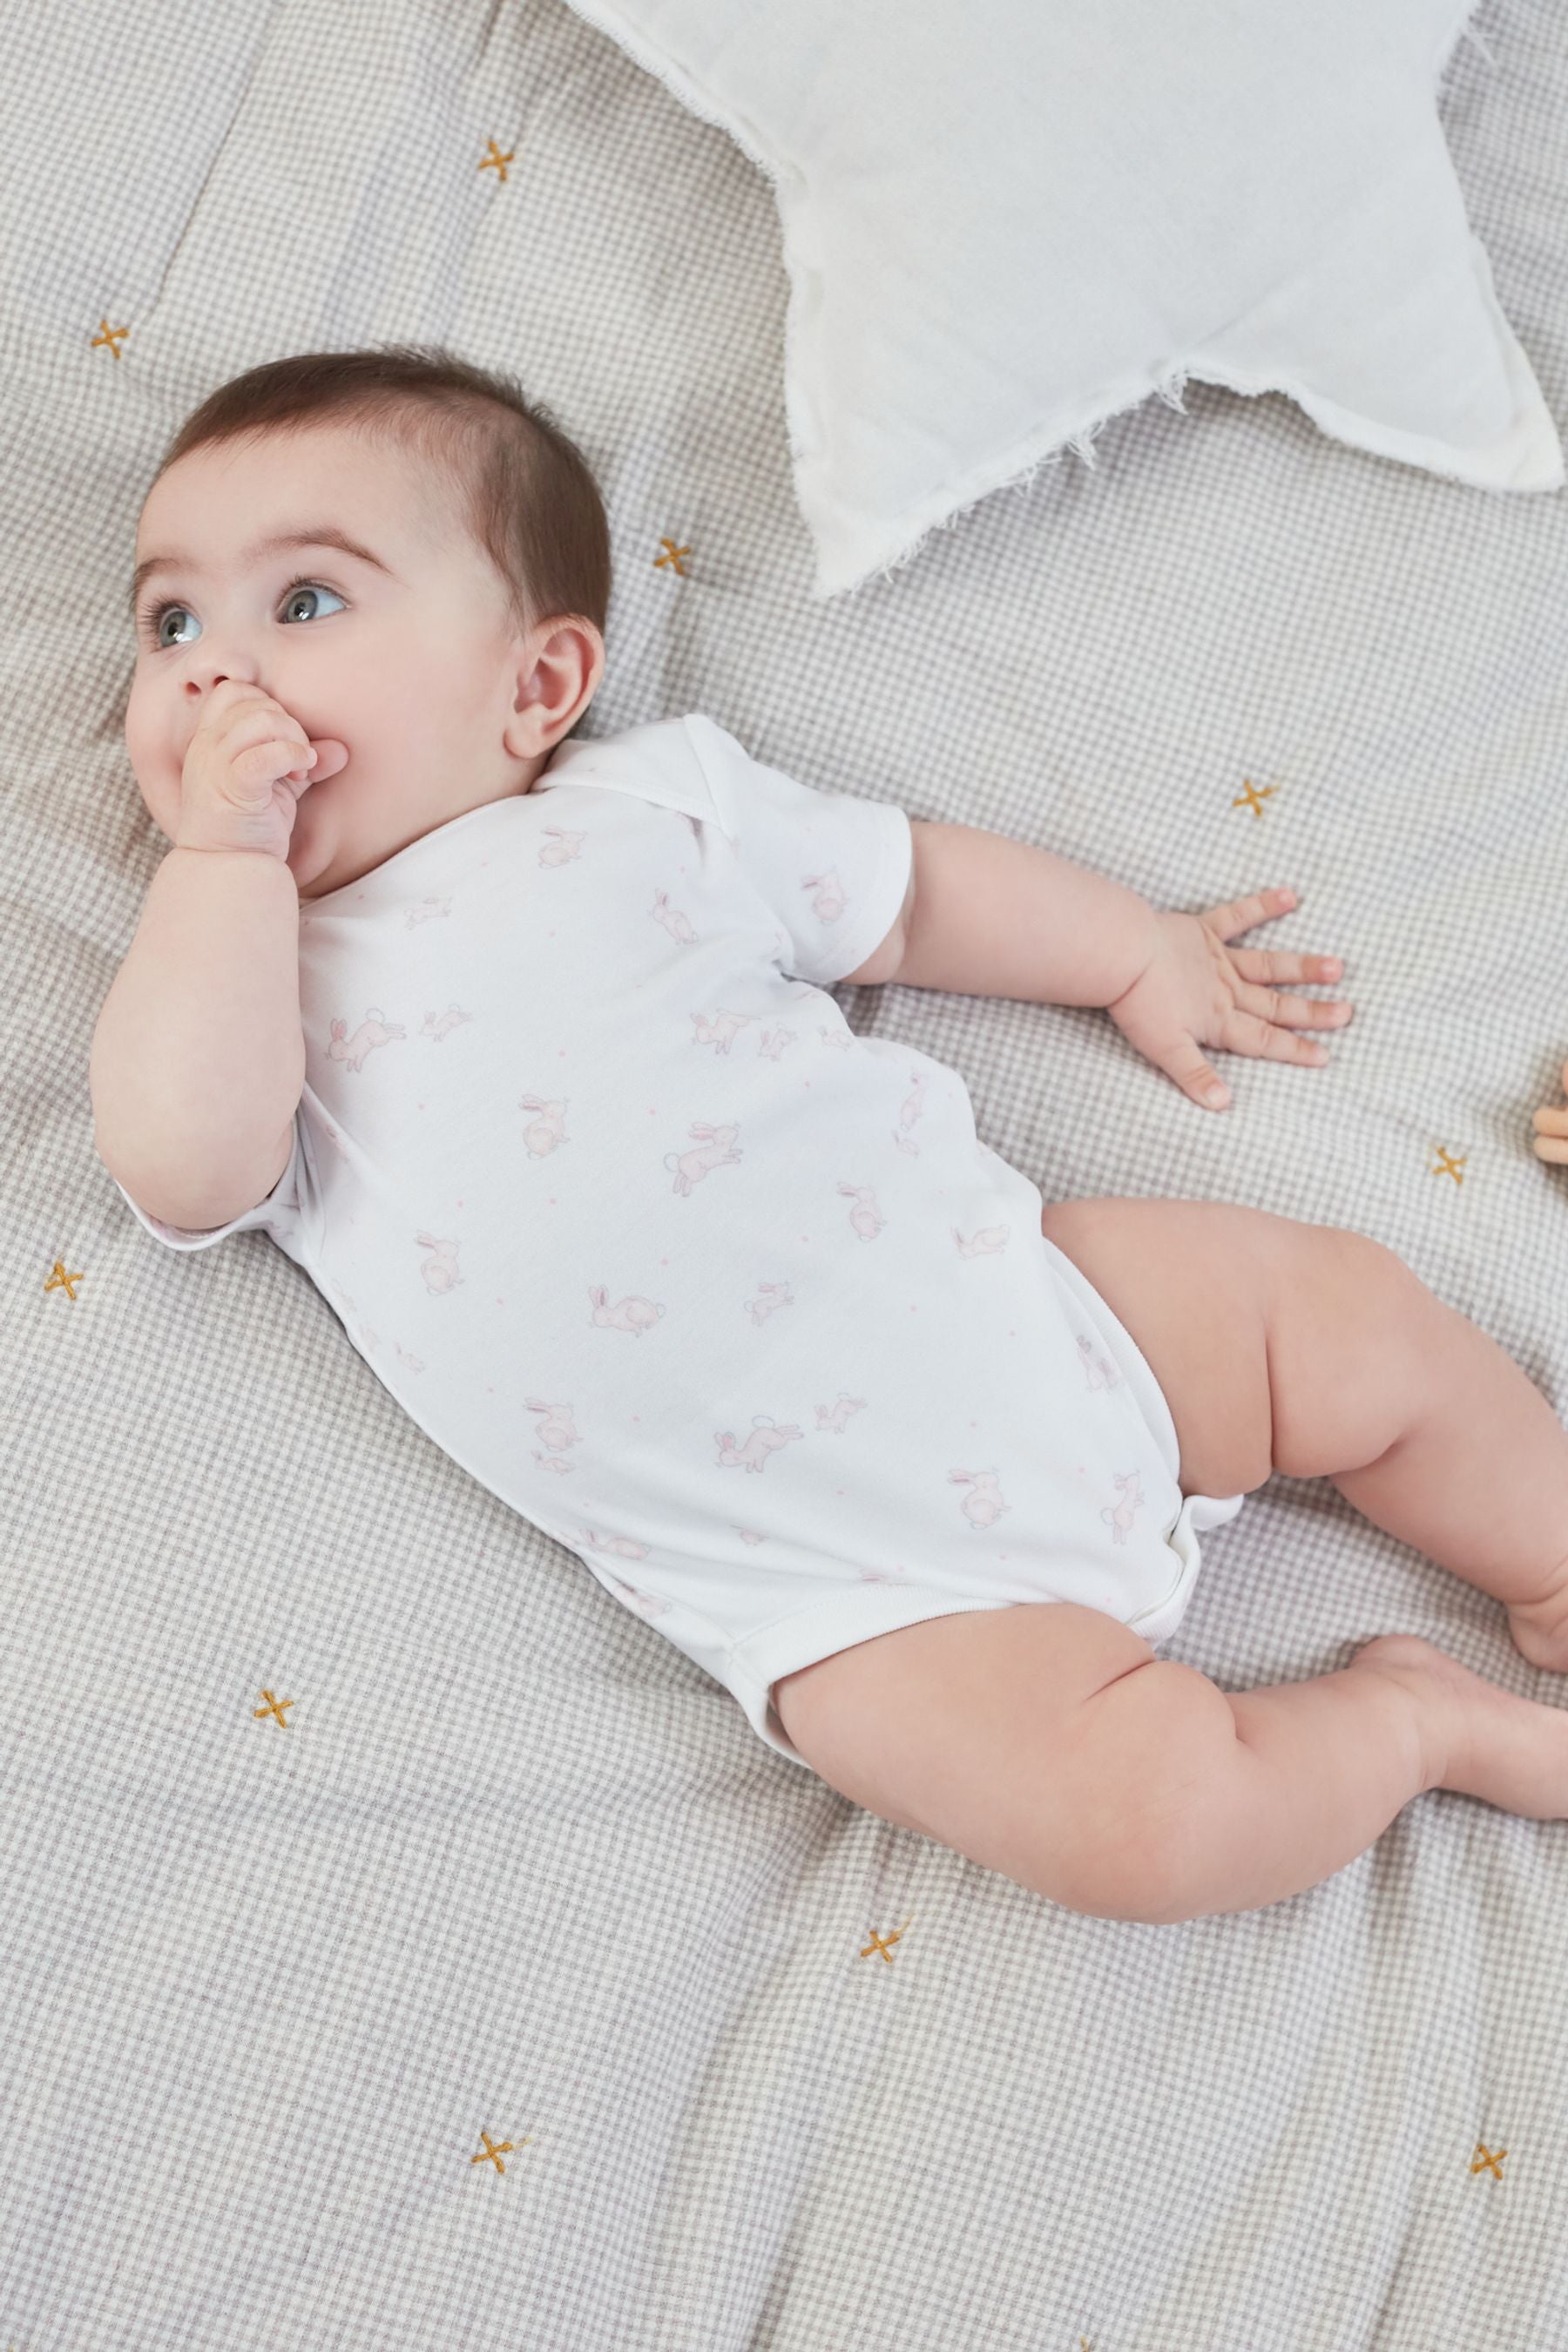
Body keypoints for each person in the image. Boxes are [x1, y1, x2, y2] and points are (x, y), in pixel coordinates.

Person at [91, 345, 1568, 1930]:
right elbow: (184, 1160)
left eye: (302, 605)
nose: (211, 675)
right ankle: (1413, 1724)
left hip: (1026, 1305)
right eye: (169, 620)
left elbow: (911, 895)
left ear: (537, 685)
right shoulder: (243, 978)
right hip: (845, 1596)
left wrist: (1133, 949)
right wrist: (223, 872)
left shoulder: (650, 809)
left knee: (1347, 1322)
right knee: (1150, 1830)